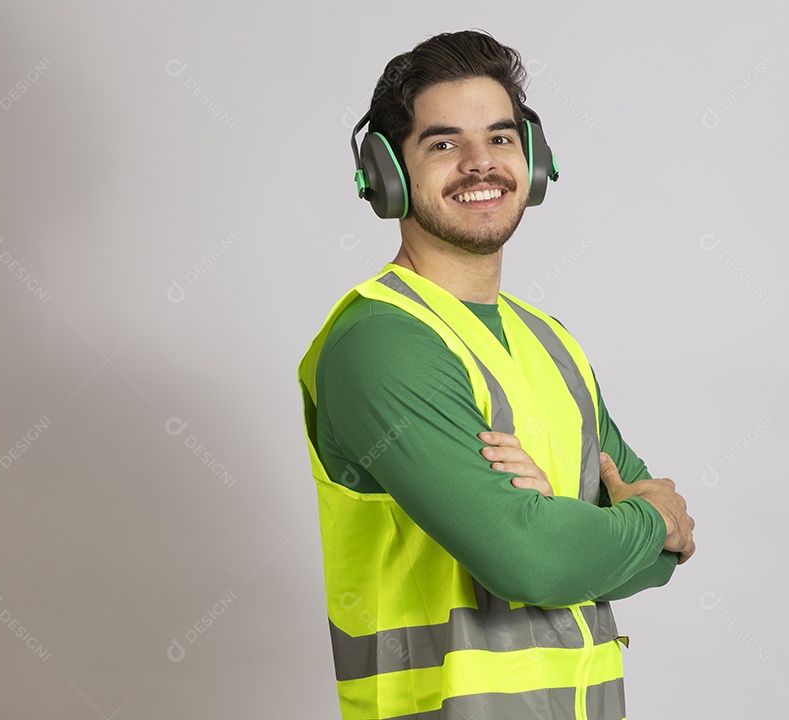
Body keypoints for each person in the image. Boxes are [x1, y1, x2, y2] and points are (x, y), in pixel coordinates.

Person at [298, 29, 696, 720]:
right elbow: (531, 562)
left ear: (535, 161)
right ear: (388, 174)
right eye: (445, 143)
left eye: (502, 139)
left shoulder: (551, 344)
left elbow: (665, 556)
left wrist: (568, 525)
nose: (481, 165)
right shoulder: (381, 344)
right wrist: (633, 522)